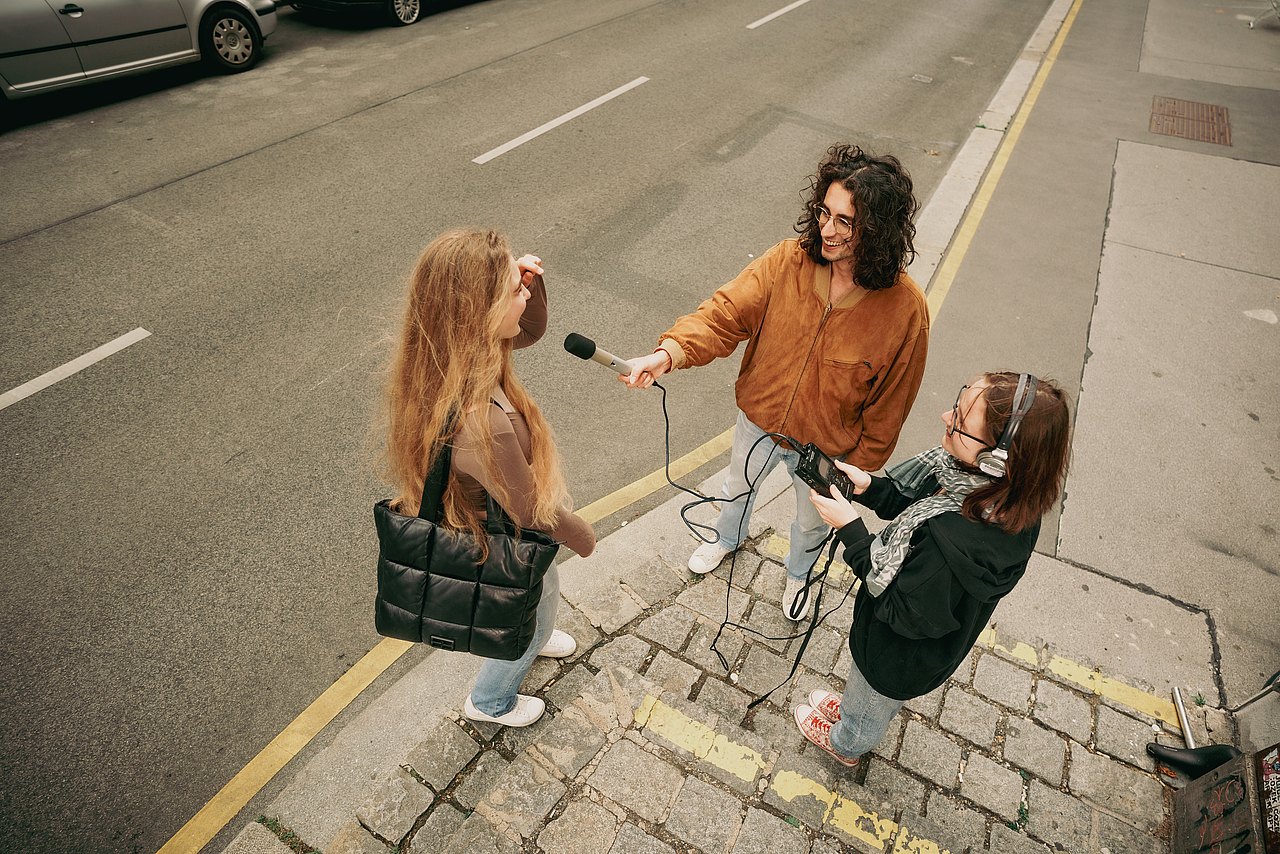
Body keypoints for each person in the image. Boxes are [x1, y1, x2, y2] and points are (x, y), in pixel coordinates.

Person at [622, 143, 930, 621]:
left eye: (845, 222)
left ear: (878, 229)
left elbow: (891, 406)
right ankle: (727, 537)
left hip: (827, 452)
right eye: (824, 213)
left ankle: (798, 574)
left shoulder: (906, 309)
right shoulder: (787, 261)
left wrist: (859, 474)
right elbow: (725, 313)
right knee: (736, 488)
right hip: (758, 420)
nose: (827, 230)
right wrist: (668, 354)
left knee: (810, 526)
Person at [793, 372, 1072, 767]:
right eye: (957, 407)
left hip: (895, 657)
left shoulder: (951, 545)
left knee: (871, 696)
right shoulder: (986, 490)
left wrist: (852, 531)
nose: (945, 416)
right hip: (919, 648)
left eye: (959, 420)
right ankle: (857, 713)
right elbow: (915, 506)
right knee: (868, 697)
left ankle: (847, 743)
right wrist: (869, 489)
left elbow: (897, 606)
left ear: (995, 459)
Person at [382, 228, 596, 728]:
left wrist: (528, 285)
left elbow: (530, 330)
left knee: (541, 603)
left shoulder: (448, 358)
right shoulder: (485, 423)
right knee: (530, 617)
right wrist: (583, 536)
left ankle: (536, 638)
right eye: (512, 292)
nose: (522, 296)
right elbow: (531, 511)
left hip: (489, 518)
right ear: (479, 315)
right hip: (506, 537)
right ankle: (491, 701)